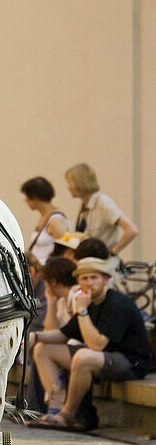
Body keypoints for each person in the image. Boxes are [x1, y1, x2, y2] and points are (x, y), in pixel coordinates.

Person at [30, 256, 153, 430]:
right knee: (43, 349)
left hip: (131, 362)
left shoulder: (116, 303)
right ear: (78, 282)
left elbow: (97, 345)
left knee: (83, 356)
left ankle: (67, 415)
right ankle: (55, 408)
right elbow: (64, 334)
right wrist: (35, 338)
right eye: (84, 279)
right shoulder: (90, 302)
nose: (89, 283)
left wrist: (82, 311)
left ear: (105, 279)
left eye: (94, 278)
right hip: (102, 357)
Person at [65, 163, 138, 257]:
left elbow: (132, 230)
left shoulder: (103, 203)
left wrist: (112, 252)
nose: (68, 187)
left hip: (101, 263)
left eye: (69, 182)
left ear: (79, 183)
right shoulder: (84, 205)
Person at [20, 176, 70, 268]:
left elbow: (66, 251)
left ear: (35, 197)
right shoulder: (43, 219)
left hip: (48, 272)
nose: (25, 200)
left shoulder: (56, 221)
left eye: (27, 197)